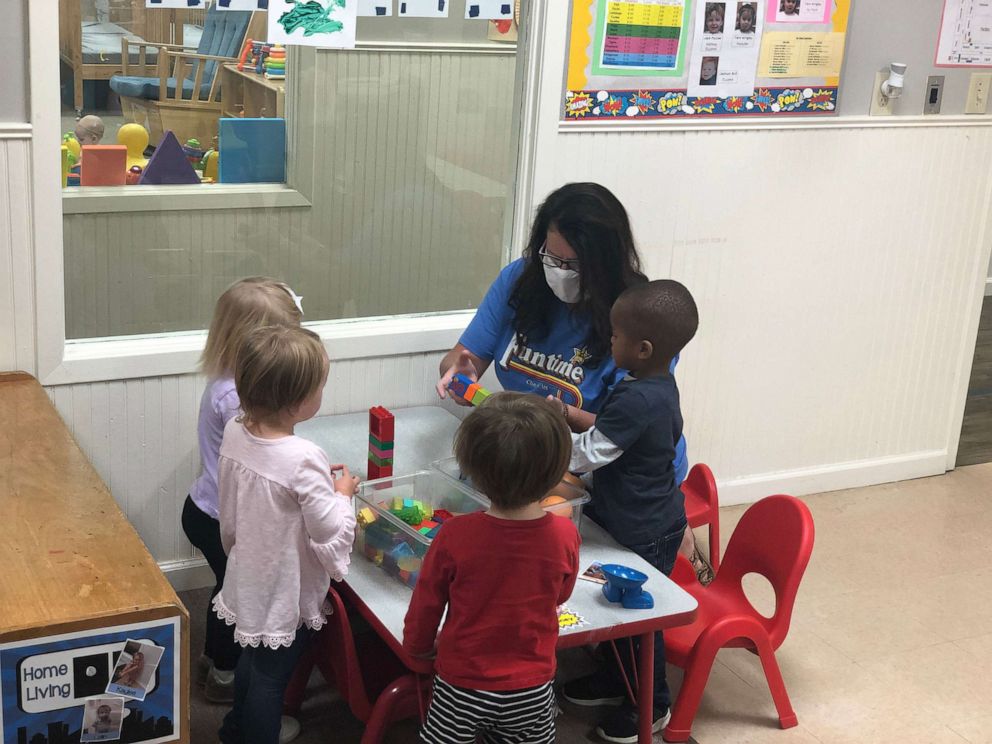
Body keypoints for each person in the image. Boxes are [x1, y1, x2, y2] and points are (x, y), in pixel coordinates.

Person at [435, 183, 711, 582]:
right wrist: (461, 372)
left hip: (617, 470)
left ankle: (677, 559)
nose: (558, 272)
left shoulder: (636, 320)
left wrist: (549, 431)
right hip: (545, 450)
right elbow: (463, 357)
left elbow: (617, 431)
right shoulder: (520, 281)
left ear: (604, 261)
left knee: (526, 530)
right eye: (551, 257)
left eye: (573, 263)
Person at [560, 279, 699, 744]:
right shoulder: (651, 386)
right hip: (632, 517)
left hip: (646, 527)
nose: (609, 341)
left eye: (615, 336)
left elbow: (588, 454)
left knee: (640, 617)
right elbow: (612, 434)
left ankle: (653, 703)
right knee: (614, 604)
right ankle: (616, 679)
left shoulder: (639, 397)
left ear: (641, 348)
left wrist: (541, 445)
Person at [403, 393, 580, 744]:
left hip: (462, 682)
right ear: (557, 473)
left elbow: (426, 603)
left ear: (474, 473)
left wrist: (418, 648)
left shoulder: (455, 534)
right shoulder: (565, 534)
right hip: (532, 684)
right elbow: (561, 593)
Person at [214, 325, 359, 744]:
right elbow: (327, 530)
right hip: (283, 588)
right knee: (271, 679)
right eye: (320, 388)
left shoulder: (234, 432)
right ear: (297, 403)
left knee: (253, 660)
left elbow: (233, 509)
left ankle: (234, 729)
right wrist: (342, 495)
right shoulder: (304, 457)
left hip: (247, 574)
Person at [181, 277, 304, 703]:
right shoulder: (238, 397)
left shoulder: (226, 378)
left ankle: (212, 661)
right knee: (233, 594)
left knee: (224, 587)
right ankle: (223, 674)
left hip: (205, 506)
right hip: (221, 516)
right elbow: (264, 463)